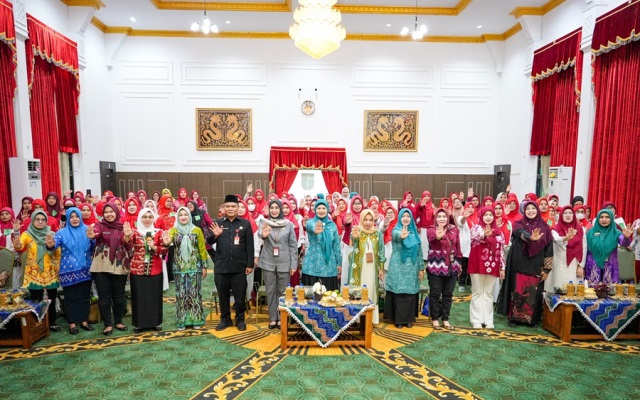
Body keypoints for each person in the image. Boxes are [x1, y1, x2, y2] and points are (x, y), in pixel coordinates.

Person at [498, 201, 553, 327]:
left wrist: (547, 269)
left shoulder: (545, 228)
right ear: (524, 211)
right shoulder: (519, 223)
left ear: (537, 210)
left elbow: (549, 250)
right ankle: (514, 318)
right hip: (519, 263)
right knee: (517, 289)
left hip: (536, 264)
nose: (530, 211)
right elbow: (520, 233)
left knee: (533, 291)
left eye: (533, 208)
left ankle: (531, 319)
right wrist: (530, 237)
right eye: (528, 209)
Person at [208, 195, 255, 331]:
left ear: (238, 208)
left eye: (233, 206)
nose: (230, 209)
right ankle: (225, 319)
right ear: (223, 208)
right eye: (227, 206)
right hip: (221, 267)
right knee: (223, 296)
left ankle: (240, 320)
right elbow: (209, 241)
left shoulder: (245, 224)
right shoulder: (218, 223)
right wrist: (215, 235)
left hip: (239, 267)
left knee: (240, 296)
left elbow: (250, 246)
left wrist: (250, 264)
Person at [46, 207, 95, 334]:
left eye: (77, 216)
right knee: (70, 298)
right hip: (68, 271)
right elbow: (54, 244)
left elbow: (94, 247)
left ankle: (84, 321)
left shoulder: (87, 229)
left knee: (85, 297)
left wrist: (92, 238)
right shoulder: (62, 233)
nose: (74, 219)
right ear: (68, 218)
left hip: (85, 269)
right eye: (71, 217)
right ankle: (72, 323)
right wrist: (50, 245)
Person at [87, 202, 132, 336]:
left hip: (119, 263)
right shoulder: (99, 225)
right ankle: (107, 324)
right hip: (101, 263)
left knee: (119, 296)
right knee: (104, 296)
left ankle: (118, 321)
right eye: (106, 212)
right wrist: (92, 235)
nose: (109, 214)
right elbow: (95, 233)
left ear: (116, 212)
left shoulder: (123, 226)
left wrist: (127, 236)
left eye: (111, 211)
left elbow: (127, 242)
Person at [13, 210, 62, 332]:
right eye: (37, 219)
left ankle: (52, 322)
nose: (40, 222)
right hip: (34, 274)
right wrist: (16, 232)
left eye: (43, 220)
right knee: (36, 300)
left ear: (46, 221)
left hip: (50, 273)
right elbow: (19, 246)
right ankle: (38, 324)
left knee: (51, 299)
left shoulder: (51, 234)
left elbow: (58, 253)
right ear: (33, 220)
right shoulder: (27, 234)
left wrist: (55, 264)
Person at [162, 206, 209, 330]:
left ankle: (196, 319)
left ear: (189, 216)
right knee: (181, 294)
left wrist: (204, 266)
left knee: (195, 293)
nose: (183, 217)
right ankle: (182, 320)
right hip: (179, 268)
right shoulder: (173, 230)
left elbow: (202, 249)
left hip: (195, 267)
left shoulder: (197, 230)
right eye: (181, 215)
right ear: (177, 217)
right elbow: (167, 242)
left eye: (186, 215)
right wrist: (166, 242)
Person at [258, 199, 298, 329]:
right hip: (268, 261)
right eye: (272, 208)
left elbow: (293, 245)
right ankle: (273, 318)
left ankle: (282, 317)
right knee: (270, 291)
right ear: (268, 210)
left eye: (277, 208)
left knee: (283, 291)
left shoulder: (289, 224)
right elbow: (260, 234)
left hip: (284, 262)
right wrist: (264, 235)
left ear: (280, 209)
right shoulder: (264, 222)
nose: (274, 210)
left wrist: (293, 265)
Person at [128, 207, 165, 333]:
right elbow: (126, 245)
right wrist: (126, 236)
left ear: (154, 218)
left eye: (150, 217)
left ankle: (155, 322)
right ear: (140, 218)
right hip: (137, 270)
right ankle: (139, 323)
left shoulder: (159, 232)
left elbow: (164, 251)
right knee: (139, 296)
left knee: (155, 296)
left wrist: (154, 247)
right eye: (144, 217)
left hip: (155, 269)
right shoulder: (134, 232)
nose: (147, 220)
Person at [383, 208, 422, 328]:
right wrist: (402, 235)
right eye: (403, 216)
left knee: (409, 292)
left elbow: (419, 251)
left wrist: (421, 268)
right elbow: (396, 235)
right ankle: (398, 319)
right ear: (399, 218)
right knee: (398, 292)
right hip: (398, 266)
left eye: (408, 216)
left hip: (412, 267)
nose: (405, 218)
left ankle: (408, 319)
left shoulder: (414, 232)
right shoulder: (396, 229)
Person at [468, 207, 505, 329]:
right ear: (481, 216)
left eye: (490, 215)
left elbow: (501, 251)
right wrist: (485, 234)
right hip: (477, 264)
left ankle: (488, 320)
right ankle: (476, 319)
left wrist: (502, 267)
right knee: (477, 292)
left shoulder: (499, 232)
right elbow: (474, 237)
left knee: (488, 293)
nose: (488, 217)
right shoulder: (476, 228)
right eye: (486, 215)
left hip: (493, 265)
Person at [427, 208, 462, 330]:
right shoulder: (431, 229)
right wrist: (438, 236)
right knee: (435, 293)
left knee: (448, 294)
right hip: (436, 266)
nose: (441, 219)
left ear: (447, 218)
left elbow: (458, 247)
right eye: (439, 216)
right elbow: (432, 238)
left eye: (444, 216)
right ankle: (435, 318)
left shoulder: (454, 229)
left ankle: (445, 318)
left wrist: (459, 263)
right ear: (435, 218)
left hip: (452, 266)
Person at [350, 209, 386, 324]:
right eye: (365, 219)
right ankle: (358, 319)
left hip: (373, 268)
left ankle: (371, 319)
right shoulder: (358, 231)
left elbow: (381, 251)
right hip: (360, 268)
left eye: (371, 220)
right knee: (360, 289)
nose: (368, 222)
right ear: (361, 219)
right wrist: (354, 237)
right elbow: (353, 243)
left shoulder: (377, 233)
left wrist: (381, 267)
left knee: (371, 289)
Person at [584, 209, 633, 287]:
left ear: (611, 218)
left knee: (609, 291)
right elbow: (585, 249)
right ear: (598, 218)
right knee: (592, 291)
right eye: (601, 217)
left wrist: (626, 237)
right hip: (593, 266)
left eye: (607, 217)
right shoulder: (590, 232)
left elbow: (624, 243)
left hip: (610, 266)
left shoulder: (616, 232)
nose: (604, 219)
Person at [301, 199, 342, 291]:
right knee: (311, 296)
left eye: (324, 208)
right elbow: (310, 226)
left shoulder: (332, 225)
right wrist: (315, 229)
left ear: (327, 209)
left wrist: (339, 263)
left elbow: (336, 246)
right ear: (315, 210)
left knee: (329, 295)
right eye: (318, 208)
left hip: (329, 265)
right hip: (312, 265)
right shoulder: (311, 222)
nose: (321, 210)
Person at [545, 206, 587, 292]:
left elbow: (584, 247)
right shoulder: (555, 229)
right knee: (559, 289)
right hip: (559, 264)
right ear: (561, 215)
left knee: (573, 291)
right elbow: (556, 239)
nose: (568, 215)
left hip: (575, 264)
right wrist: (565, 238)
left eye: (570, 213)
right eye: (565, 213)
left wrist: (581, 266)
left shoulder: (581, 229)